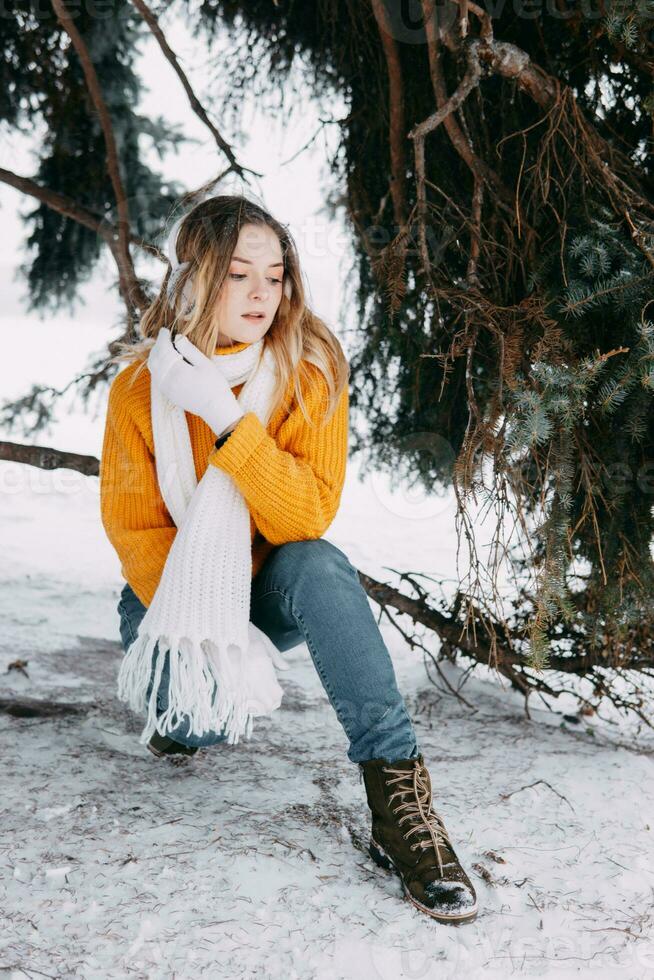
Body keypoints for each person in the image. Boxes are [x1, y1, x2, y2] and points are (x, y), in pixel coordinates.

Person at [99, 193, 478, 923]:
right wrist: (222, 640)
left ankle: (399, 800)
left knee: (320, 562)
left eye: (273, 276)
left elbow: (304, 515)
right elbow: (137, 535)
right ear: (193, 281)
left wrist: (226, 416)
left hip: (268, 585)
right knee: (196, 730)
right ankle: (170, 714)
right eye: (238, 274)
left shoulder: (308, 371)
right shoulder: (139, 391)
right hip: (168, 606)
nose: (260, 295)